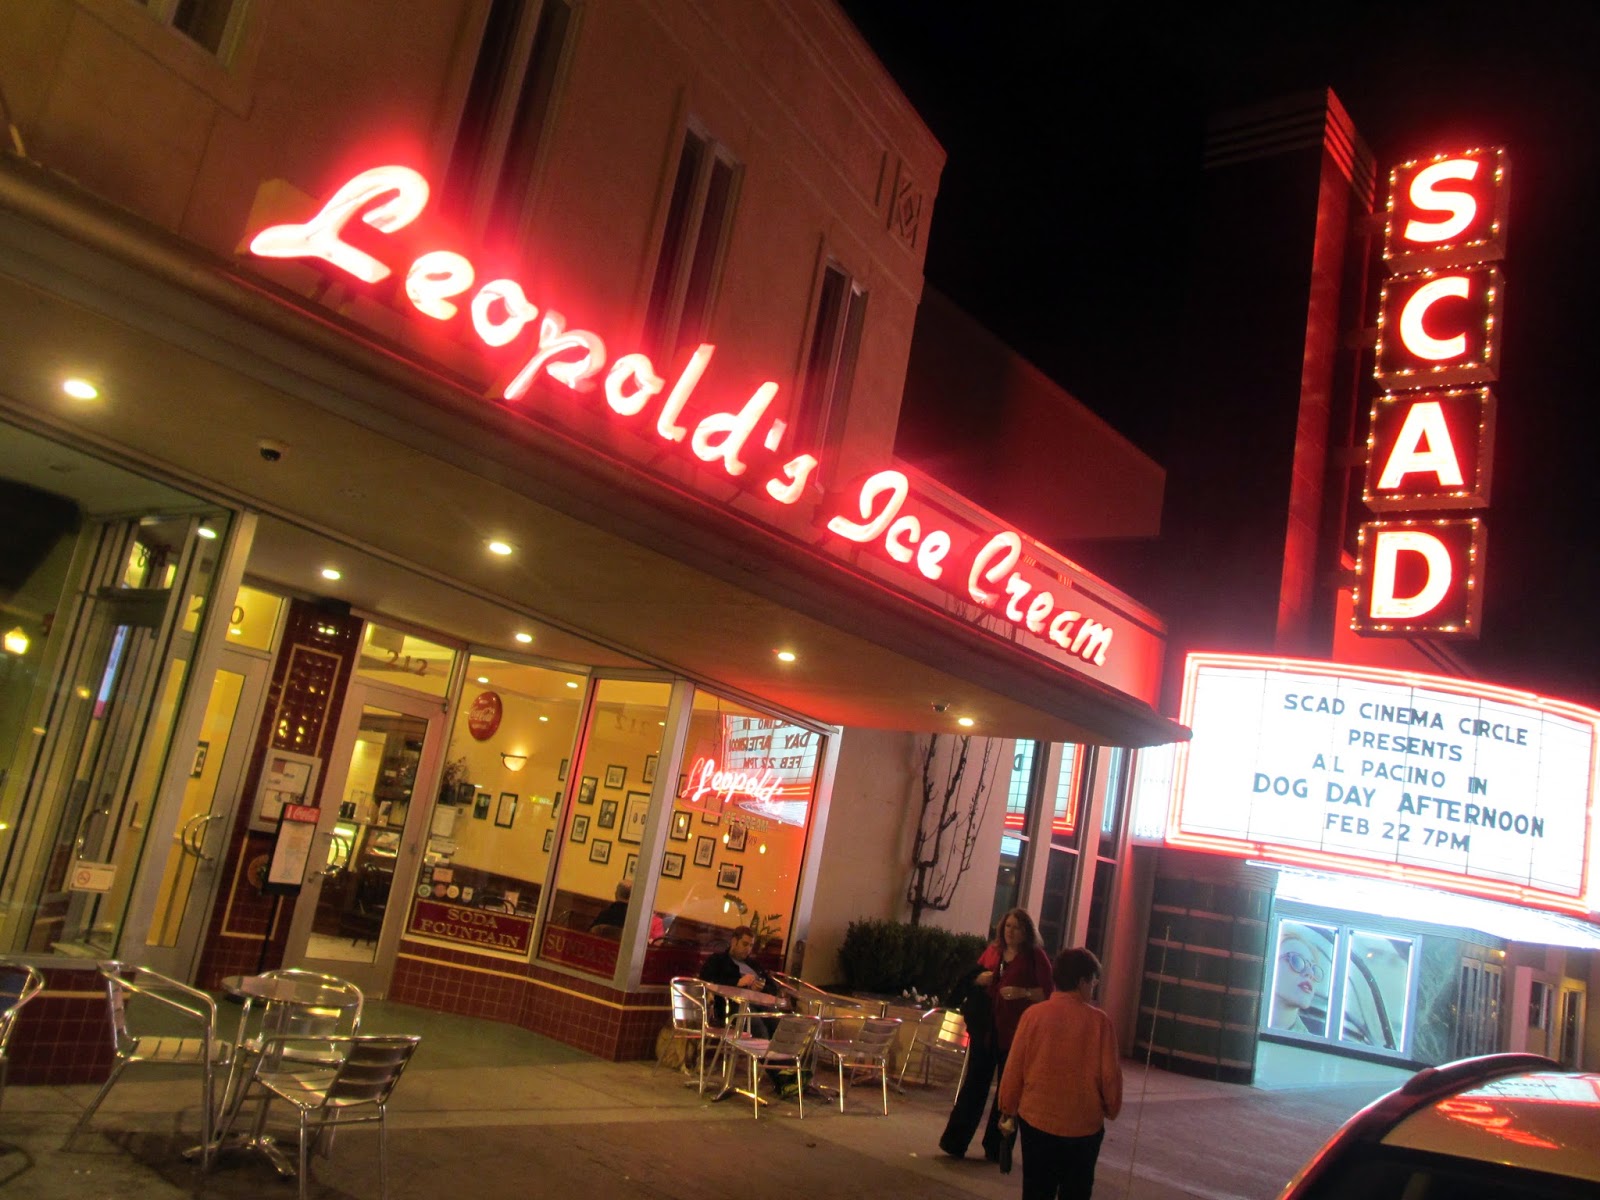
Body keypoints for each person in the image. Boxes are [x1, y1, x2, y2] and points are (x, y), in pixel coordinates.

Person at [998, 947, 1123, 1200]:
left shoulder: (1033, 1016)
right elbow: (1110, 1076)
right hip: (1083, 1126)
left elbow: (1015, 1067)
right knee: (1077, 1191)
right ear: (1081, 982)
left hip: (1037, 1120)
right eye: (1093, 981)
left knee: (1036, 1189)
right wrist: (1111, 1108)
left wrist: (1008, 1108)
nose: (1094, 987)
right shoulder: (1100, 1023)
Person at [939, 908, 1053, 1160]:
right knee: (974, 1085)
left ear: (1027, 932)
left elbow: (1047, 993)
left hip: (1016, 1033)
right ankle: (955, 1141)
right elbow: (972, 977)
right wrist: (979, 980)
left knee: (1008, 1091)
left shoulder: (1036, 958)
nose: (1011, 932)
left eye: (1017, 928)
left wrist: (1022, 992)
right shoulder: (993, 951)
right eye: (1008, 926)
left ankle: (997, 1147)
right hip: (986, 1028)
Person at [1269, 928, 1327, 1036]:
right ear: (1269, 965)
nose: (1309, 973)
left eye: (1314, 968)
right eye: (1297, 961)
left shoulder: (1311, 1050)